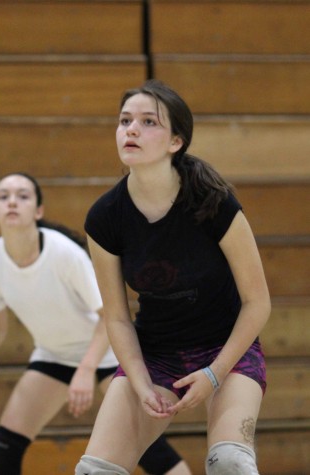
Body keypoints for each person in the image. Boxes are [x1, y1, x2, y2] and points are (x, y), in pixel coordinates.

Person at [75, 79, 271, 475]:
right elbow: (116, 317)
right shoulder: (104, 218)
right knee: (95, 472)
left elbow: (257, 302)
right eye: (125, 120)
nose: (131, 129)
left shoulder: (213, 202)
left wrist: (215, 374)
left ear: (175, 142)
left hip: (225, 348)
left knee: (230, 463)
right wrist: (141, 382)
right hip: (155, 353)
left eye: (148, 122)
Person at [0, 172, 192, 475]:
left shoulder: (64, 253)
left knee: (148, 450)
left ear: (38, 211)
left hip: (109, 354)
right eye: (3, 196)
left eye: (23, 196)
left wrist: (86, 368)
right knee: (2, 452)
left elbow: (110, 315)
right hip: (54, 355)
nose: (12, 202)